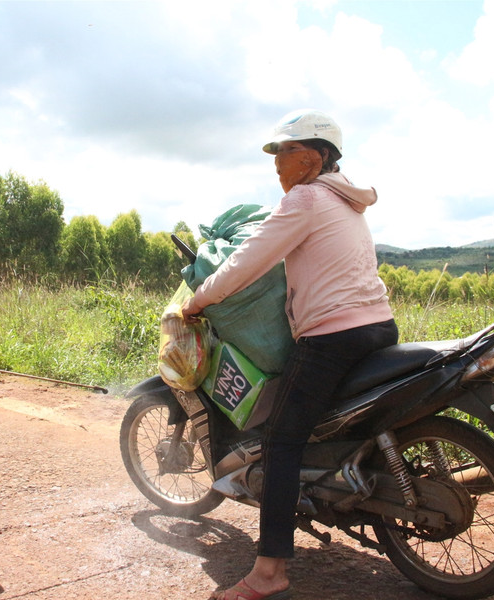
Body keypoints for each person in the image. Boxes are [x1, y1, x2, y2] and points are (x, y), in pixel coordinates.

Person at [182, 109, 399, 600]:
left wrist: (199, 300)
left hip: (331, 339)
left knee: (281, 441)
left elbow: (248, 260)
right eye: (275, 153)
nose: (277, 162)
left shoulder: (306, 198)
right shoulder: (348, 200)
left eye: (285, 151)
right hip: (379, 328)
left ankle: (269, 573)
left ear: (314, 157)